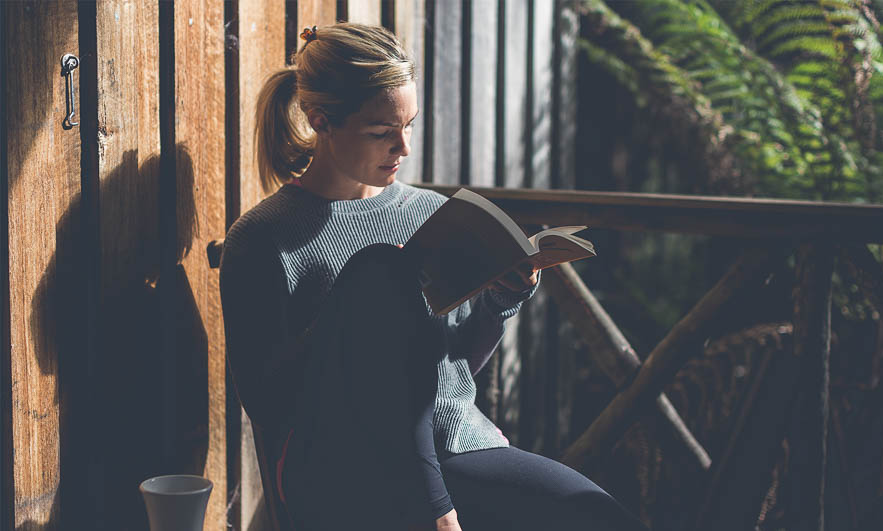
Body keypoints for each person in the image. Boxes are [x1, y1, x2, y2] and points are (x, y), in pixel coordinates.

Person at [219, 22, 644, 531]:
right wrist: (361, 316)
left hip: (456, 448)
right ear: (320, 120)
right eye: (381, 132)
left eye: (410, 125)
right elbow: (268, 404)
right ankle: (437, 514)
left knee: (597, 516)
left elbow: (454, 366)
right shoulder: (263, 237)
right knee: (382, 275)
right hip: (345, 470)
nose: (402, 147)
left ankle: (435, 503)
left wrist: (498, 302)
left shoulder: (430, 213)